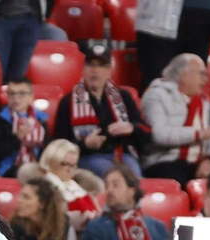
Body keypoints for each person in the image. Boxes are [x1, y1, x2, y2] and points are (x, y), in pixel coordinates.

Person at [54, 42, 147, 178]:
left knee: (133, 176)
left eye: (101, 65)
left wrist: (131, 128)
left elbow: (146, 132)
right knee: (112, 175)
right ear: (83, 68)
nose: (95, 70)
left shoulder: (123, 97)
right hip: (87, 157)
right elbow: (59, 144)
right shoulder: (68, 101)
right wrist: (85, 145)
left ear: (109, 70)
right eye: (91, 64)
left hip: (122, 155)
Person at [140, 54, 210, 183]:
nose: (204, 81)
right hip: (165, 161)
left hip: (198, 163)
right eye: (201, 74)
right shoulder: (156, 95)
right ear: (184, 75)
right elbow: (159, 135)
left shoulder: (204, 102)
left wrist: (209, 159)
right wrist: (198, 134)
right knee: (176, 179)